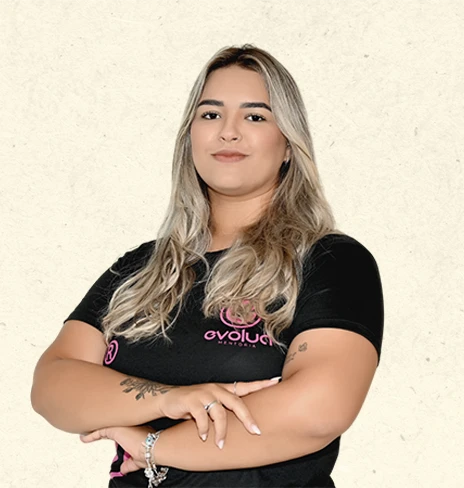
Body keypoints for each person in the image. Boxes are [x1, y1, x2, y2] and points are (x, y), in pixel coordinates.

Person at [31, 44, 384, 488]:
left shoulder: (330, 262)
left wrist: (153, 447)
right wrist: (170, 399)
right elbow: (52, 385)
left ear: (288, 145)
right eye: (211, 114)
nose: (228, 132)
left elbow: (319, 410)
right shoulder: (141, 270)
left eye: (255, 117)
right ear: (190, 137)